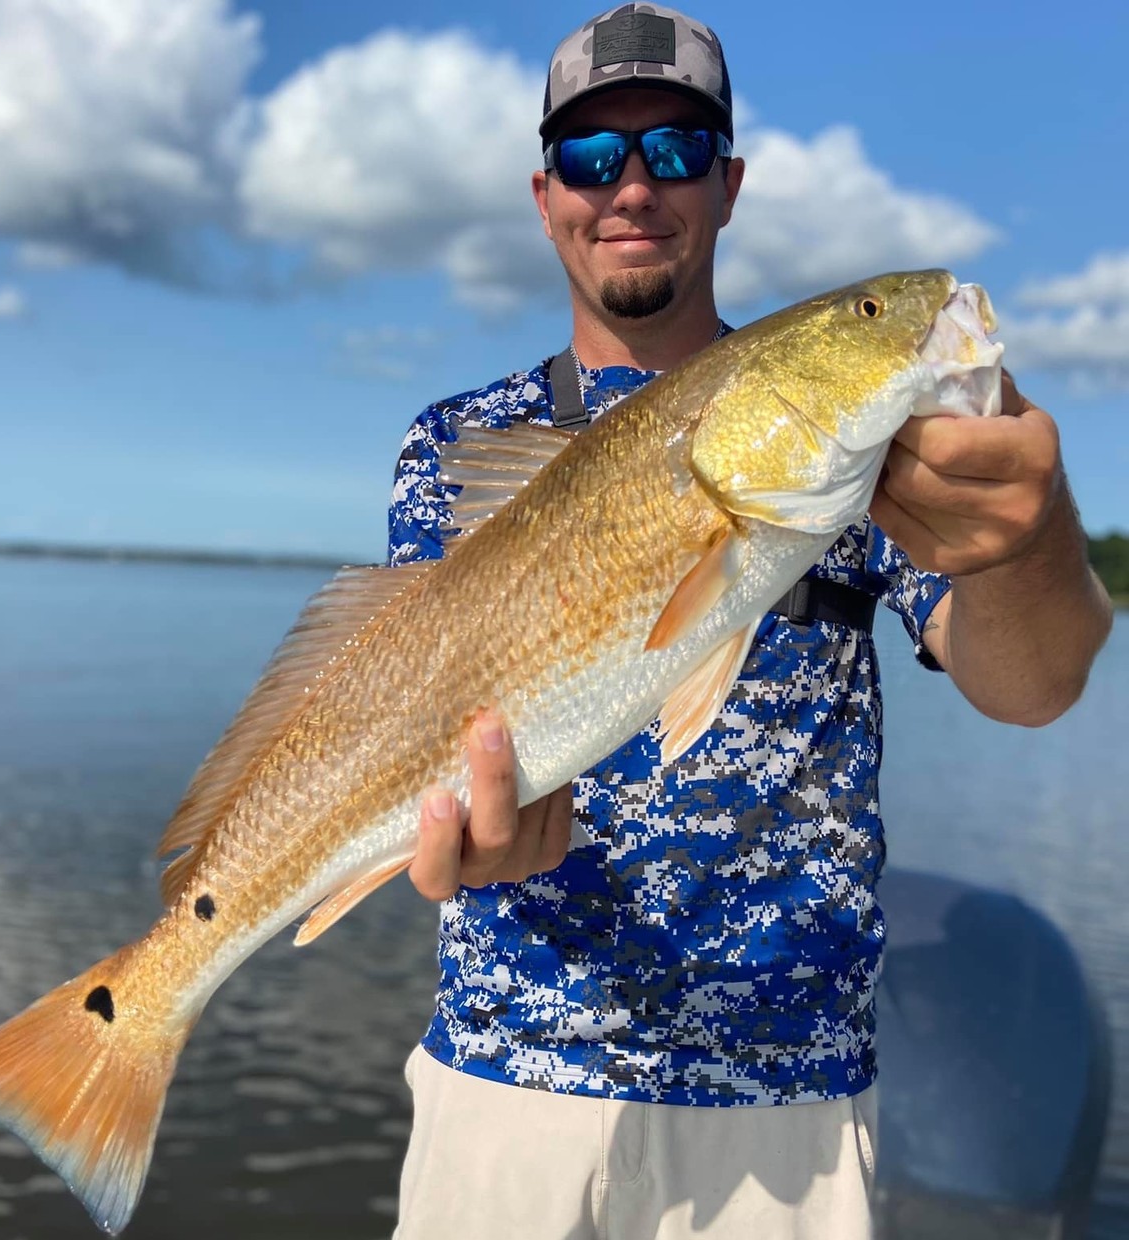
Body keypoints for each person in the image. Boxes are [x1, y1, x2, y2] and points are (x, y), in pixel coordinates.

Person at [385, 7, 1113, 1238]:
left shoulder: (862, 447)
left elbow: (1035, 684)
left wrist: (1034, 541)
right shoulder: (454, 449)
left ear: (726, 185)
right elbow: (400, 720)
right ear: (543, 191)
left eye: (672, 150)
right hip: (504, 1086)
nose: (629, 186)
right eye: (587, 155)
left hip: (790, 1112)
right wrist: (453, 834)